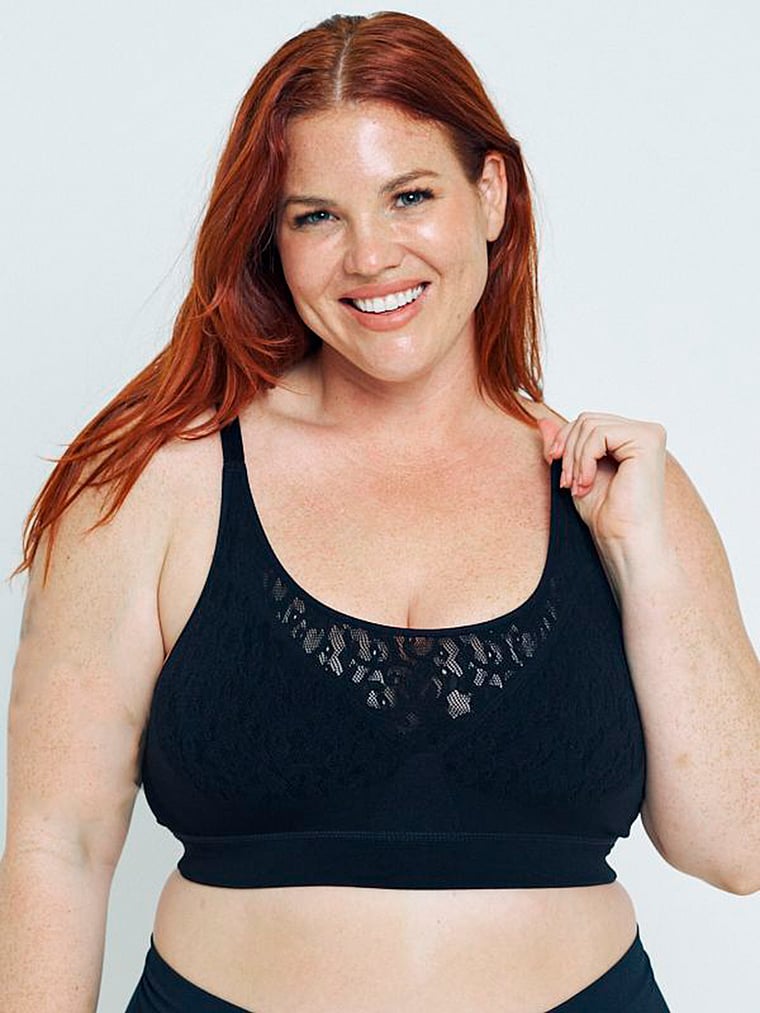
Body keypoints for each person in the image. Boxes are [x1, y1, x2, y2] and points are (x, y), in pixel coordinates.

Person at [2, 10, 758, 1012]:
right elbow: (59, 842)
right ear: (271, 240)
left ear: (490, 194)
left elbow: (735, 845)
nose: (370, 256)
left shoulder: (620, 489)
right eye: (316, 216)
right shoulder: (151, 483)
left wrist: (645, 558)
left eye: (409, 196)